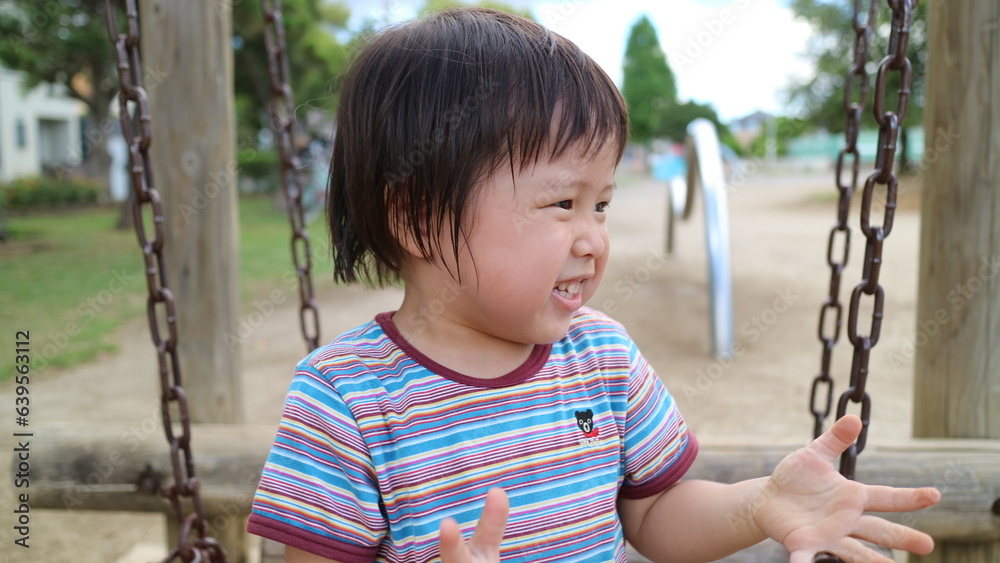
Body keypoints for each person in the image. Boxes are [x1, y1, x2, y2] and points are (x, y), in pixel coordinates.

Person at [247, 7, 940, 563]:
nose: (594, 238)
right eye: (562, 204)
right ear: (420, 218)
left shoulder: (600, 355)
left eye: (601, 204)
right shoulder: (344, 397)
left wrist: (758, 504)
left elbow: (656, 515)